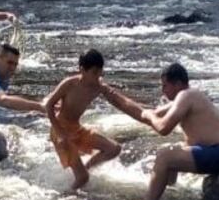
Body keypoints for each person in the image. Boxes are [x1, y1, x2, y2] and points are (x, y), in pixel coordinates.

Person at [44, 49, 151, 190]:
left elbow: (121, 102)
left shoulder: (99, 87)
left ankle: (86, 167)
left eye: (100, 72)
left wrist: (148, 112)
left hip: (76, 128)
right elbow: (48, 105)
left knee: (114, 149)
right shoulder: (70, 84)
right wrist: (61, 133)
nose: (98, 76)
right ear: (82, 70)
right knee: (83, 178)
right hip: (60, 130)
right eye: (94, 72)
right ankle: (66, 196)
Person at [140, 63, 219, 200]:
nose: (163, 91)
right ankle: (169, 191)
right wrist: (111, 93)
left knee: (164, 157)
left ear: (178, 84)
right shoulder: (189, 96)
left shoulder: (186, 95)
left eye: (165, 86)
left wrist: (149, 116)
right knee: (172, 149)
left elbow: (163, 128)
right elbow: (155, 112)